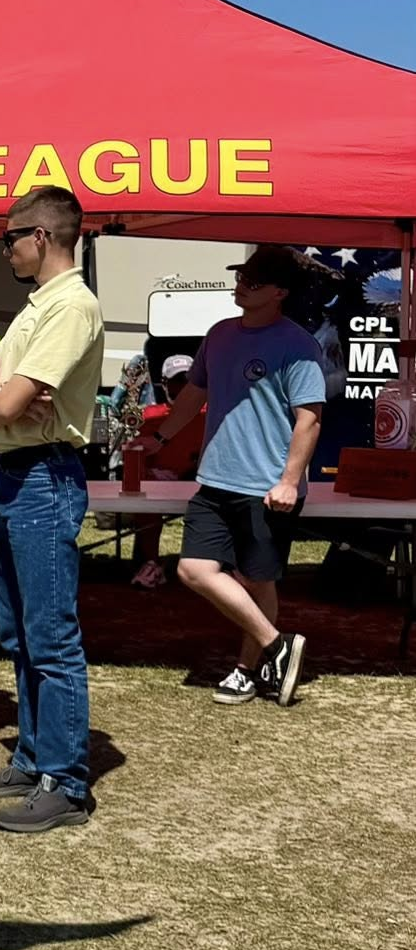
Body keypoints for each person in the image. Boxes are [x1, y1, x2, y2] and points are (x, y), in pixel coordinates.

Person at [0, 187, 105, 834]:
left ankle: (66, 781)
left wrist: (4, 395)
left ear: (41, 236)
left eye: (10, 236)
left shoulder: (70, 307)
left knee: (49, 637)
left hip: (43, 474)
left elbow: (5, 401)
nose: (7, 247)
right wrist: (4, 396)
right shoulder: (40, 308)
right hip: (17, 474)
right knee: (22, 634)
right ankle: (36, 756)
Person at [145, 246, 323, 706]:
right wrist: (160, 438)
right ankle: (278, 645)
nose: (242, 284)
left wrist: (288, 481)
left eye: (254, 280)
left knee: (256, 580)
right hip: (215, 478)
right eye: (242, 275)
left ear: (280, 293)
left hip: (266, 487)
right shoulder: (219, 334)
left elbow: (309, 419)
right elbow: (193, 397)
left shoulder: (299, 344)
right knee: (193, 570)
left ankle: (247, 670)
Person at [129, 354, 204, 588]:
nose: (183, 385)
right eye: (178, 379)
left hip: (200, 479)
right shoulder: (148, 416)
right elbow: (139, 453)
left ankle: (209, 566)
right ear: (164, 382)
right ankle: (151, 563)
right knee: (146, 497)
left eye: (188, 380)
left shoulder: (209, 412)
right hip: (160, 481)